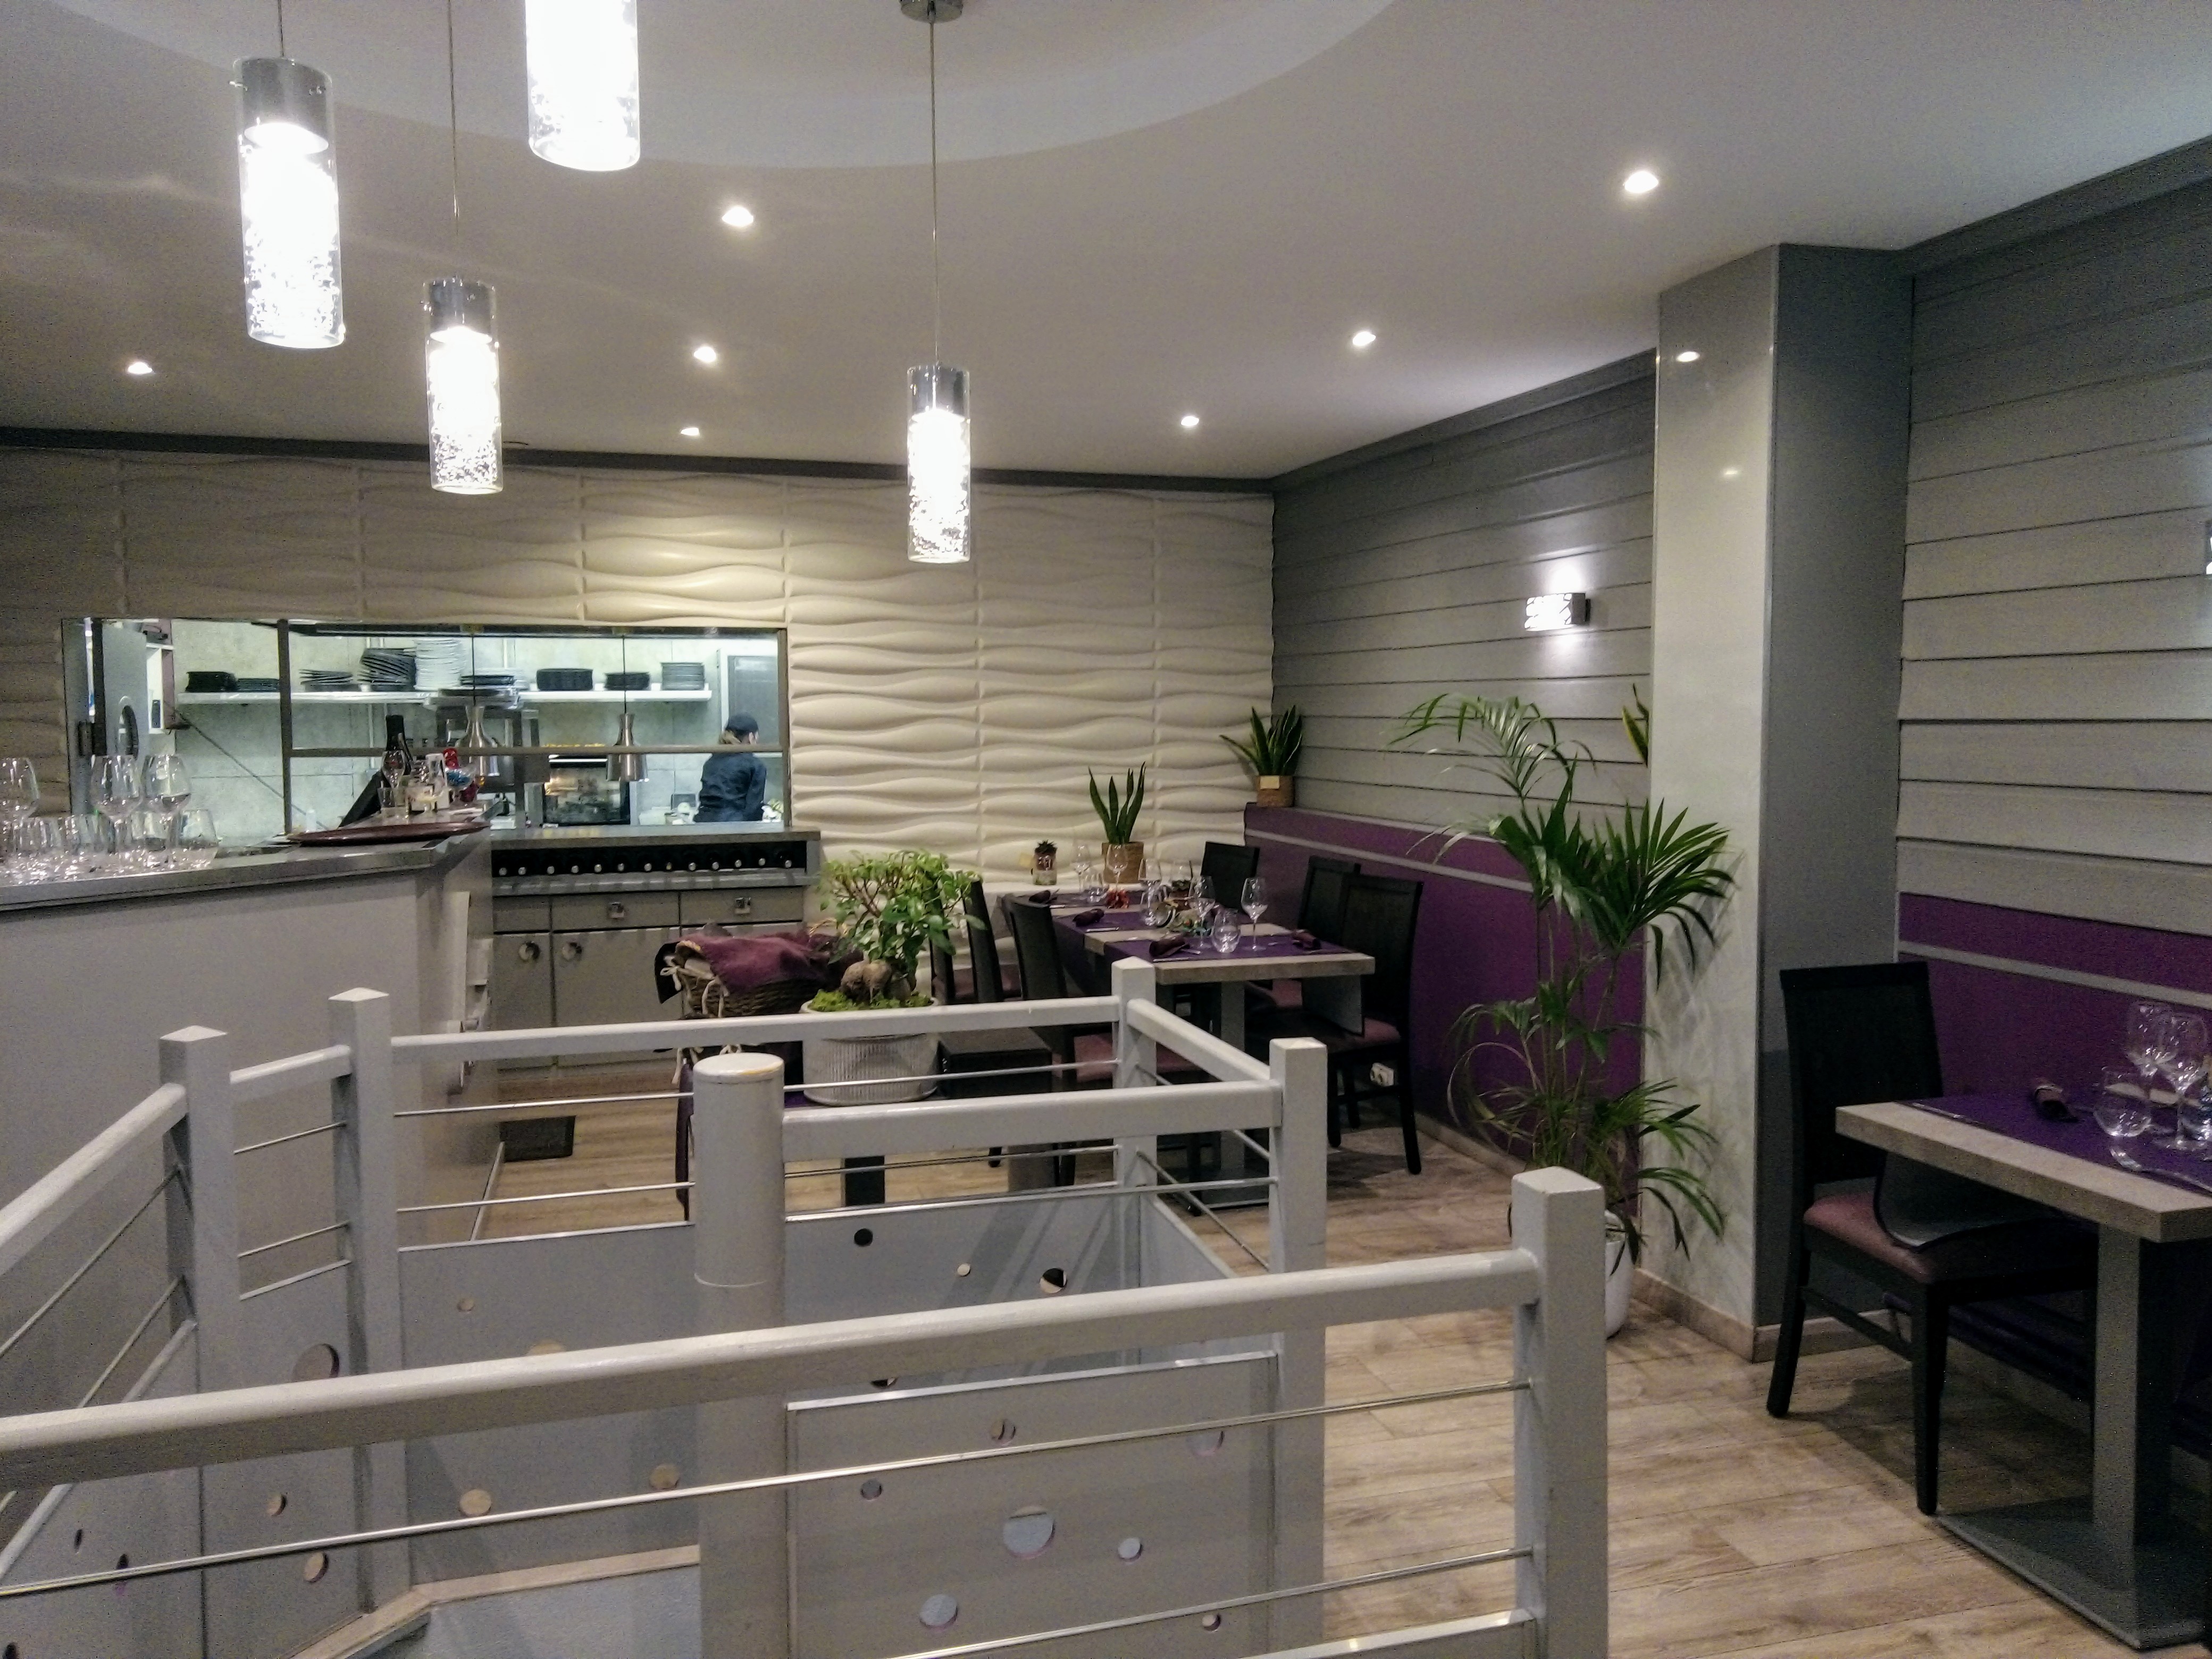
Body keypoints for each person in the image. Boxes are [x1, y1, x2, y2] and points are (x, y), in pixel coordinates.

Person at [697, 715, 767, 822]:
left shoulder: (711, 761)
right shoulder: (755, 765)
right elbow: (753, 809)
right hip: (734, 826)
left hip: (703, 823)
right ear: (751, 737)